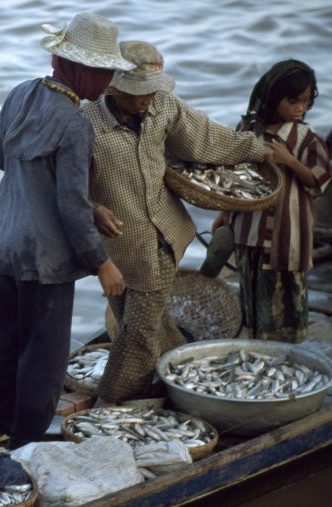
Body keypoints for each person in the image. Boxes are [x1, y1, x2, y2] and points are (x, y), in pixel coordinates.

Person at [83, 41, 272, 405]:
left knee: (137, 330)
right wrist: (91, 208)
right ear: (113, 85)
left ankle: (110, 402)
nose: (147, 99)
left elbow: (204, 139)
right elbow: (61, 184)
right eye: (139, 92)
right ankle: (182, 368)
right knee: (134, 322)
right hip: (119, 244)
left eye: (153, 90)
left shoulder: (164, 106)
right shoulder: (85, 123)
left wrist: (255, 148)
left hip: (166, 234)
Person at [0, 13, 129, 450]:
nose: (107, 83)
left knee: (4, 344)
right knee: (44, 361)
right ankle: (22, 448)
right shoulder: (76, 123)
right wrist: (103, 263)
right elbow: (68, 205)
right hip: (44, 259)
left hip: (3, 243)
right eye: (103, 72)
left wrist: (89, 203)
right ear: (78, 68)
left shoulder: (20, 93)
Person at [211, 60, 331, 343]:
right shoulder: (247, 128)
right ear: (273, 96)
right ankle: (257, 335)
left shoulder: (306, 137)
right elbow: (233, 176)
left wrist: (289, 161)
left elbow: (318, 180)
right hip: (248, 224)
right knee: (252, 282)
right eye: (293, 101)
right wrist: (225, 215)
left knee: (287, 285)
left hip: (288, 228)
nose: (300, 108)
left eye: (305, 101)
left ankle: (289, 340)